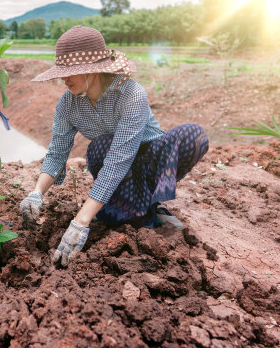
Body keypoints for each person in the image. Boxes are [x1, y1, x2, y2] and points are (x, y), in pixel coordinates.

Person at [20, 26, 209, 268]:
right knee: (100, 148)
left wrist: (80, 221)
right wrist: (37, 192)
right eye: (62, 72)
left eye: (71, 72)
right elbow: (58, 151)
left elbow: (120, 159)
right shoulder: (68, 104)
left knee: (193, 136)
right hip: (116, 164)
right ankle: (137, 209)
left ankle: (150, 203)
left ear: (94, 71)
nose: (63, 79)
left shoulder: (131, 94)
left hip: (149, 157)